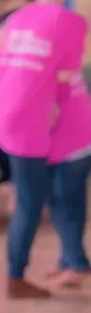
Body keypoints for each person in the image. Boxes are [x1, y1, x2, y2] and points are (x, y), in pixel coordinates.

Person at [0, 0, 87, 299]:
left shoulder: (16, 18)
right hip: (31, 118)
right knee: (34, 202)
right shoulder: (72, 22)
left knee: (52, 195)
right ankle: (16, 277)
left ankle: (74, 262)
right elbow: (65, 75)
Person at [46, 70, 91, 287]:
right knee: (71, 206)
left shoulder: (48, 75)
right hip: (81, 144)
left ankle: (76, 264)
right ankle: (68, 260)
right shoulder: (66, 69)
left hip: (67, 148)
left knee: (64, 207)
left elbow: (50, 116)